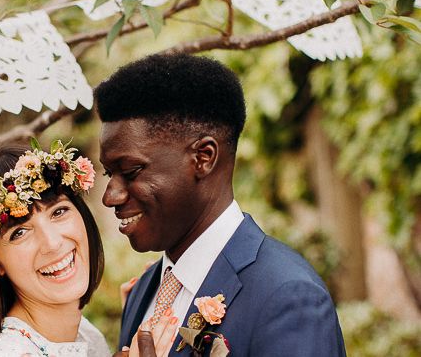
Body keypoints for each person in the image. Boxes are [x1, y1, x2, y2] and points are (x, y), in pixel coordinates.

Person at [94, 53, 347, 357]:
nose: (111, 196)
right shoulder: (143, 291)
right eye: (110, 174)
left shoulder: (287, 297)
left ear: (203, 157)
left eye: (131, 171)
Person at [0, 142, 178, 357]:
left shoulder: (85, 335)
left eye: (58, 212)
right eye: (19, 233)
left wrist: (137, 313)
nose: (52, 243)